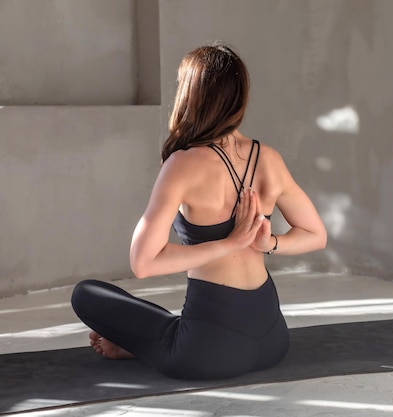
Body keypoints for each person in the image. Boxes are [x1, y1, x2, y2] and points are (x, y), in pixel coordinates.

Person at [71, 43, 327, 380]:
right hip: (273, 341)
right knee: (172, 325)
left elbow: (143, 263)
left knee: (86, 294)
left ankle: (145, 346)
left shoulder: (183, 164)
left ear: (192, 95)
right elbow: (316, 235)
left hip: (208, 352)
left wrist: (228, 243)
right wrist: (270, 244)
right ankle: (146, 343)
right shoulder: (269, 159)